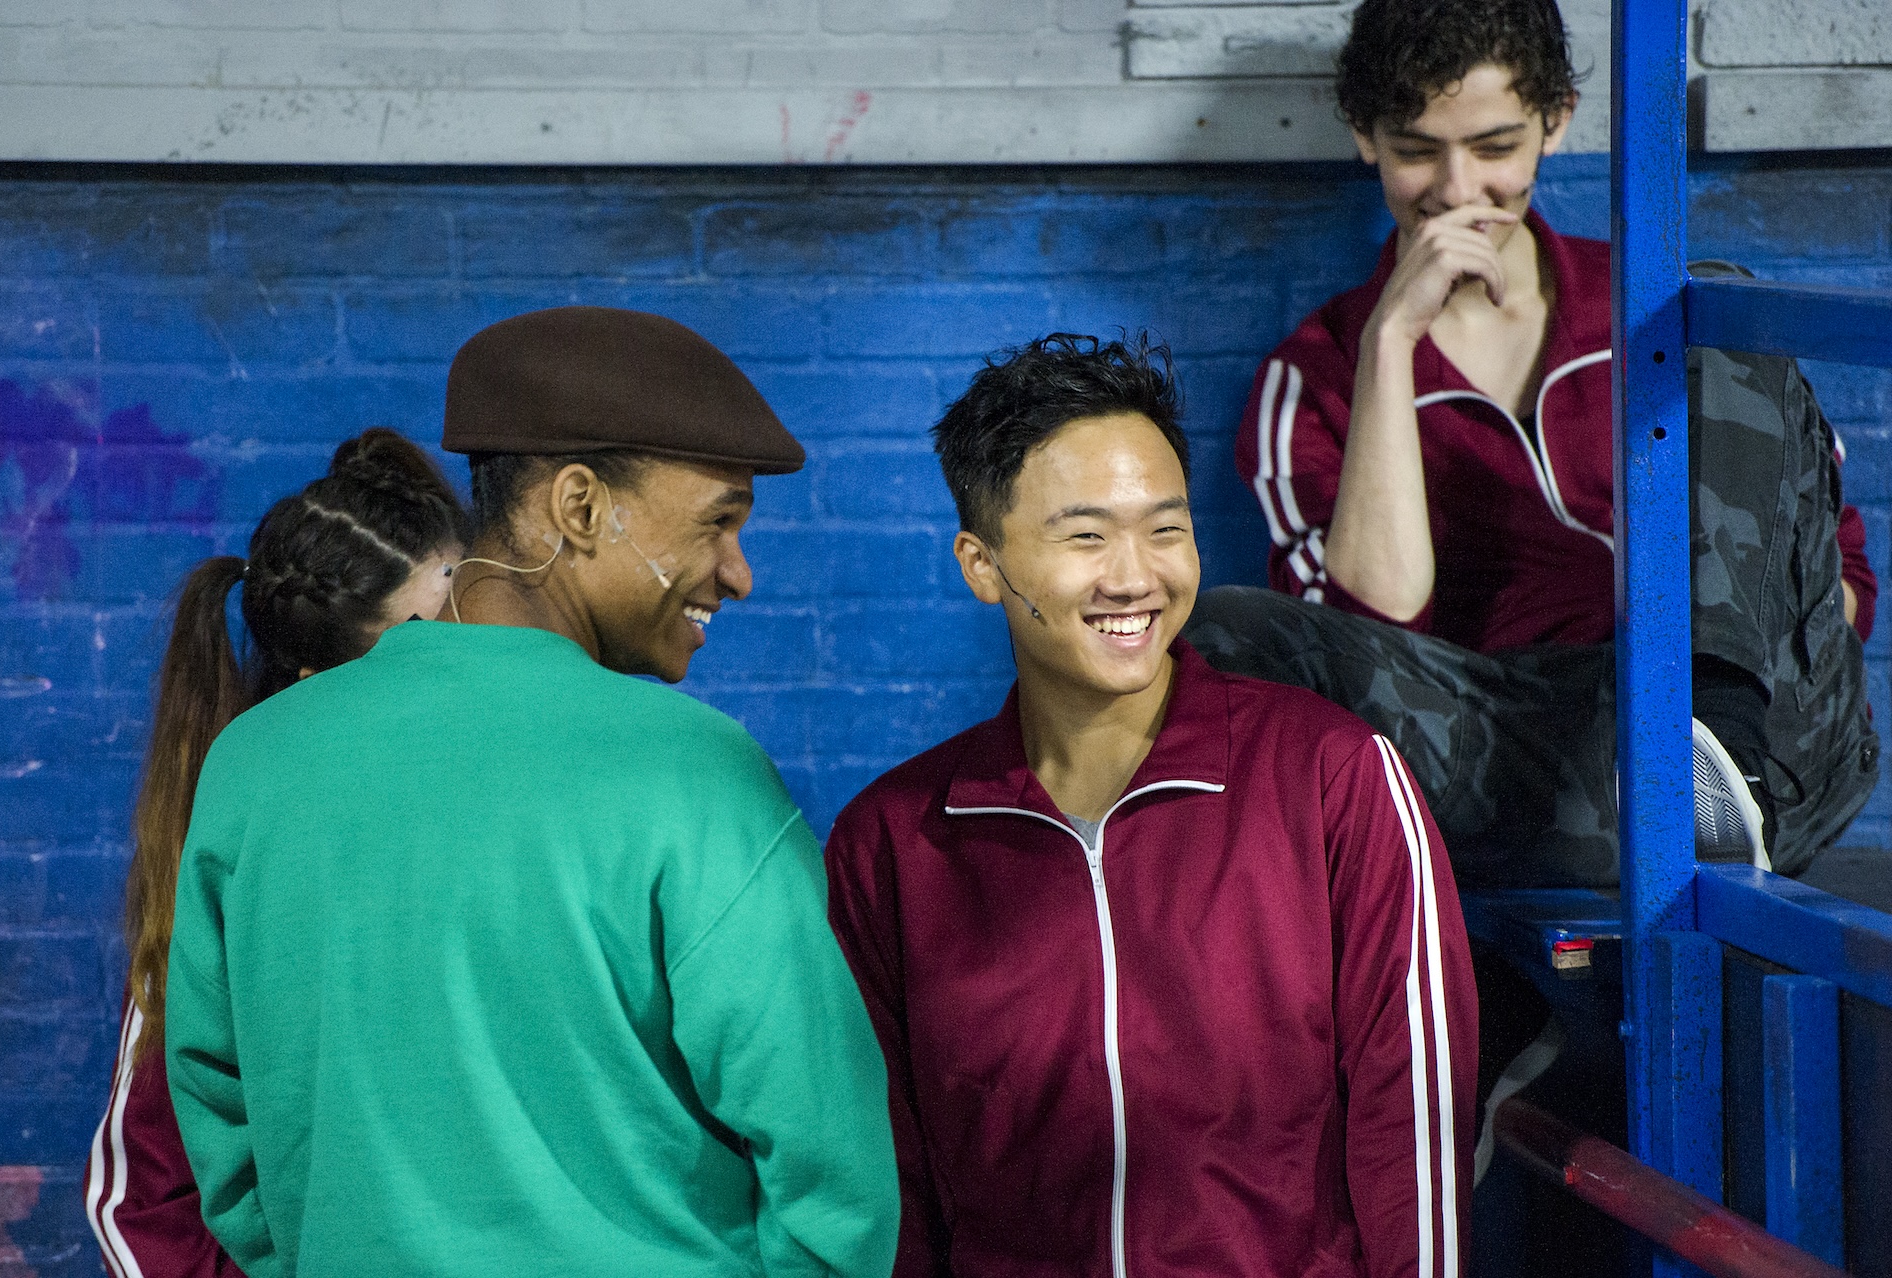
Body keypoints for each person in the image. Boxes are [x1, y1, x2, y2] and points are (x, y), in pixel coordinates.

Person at [164, 306, 899, 1278]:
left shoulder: (257, 764)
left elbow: (225, 1134)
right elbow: (833, 1185)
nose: (740, 573)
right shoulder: (703, 780)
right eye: (718, 521)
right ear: (581, 508)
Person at [826, 333, 1477, 1278]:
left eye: (1165, 529)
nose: (1135, 576)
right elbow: (891, 1180)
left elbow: (1412, 1129)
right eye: (1085, 535)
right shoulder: (893, 845)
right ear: (981, 563)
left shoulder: (1337, 780)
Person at [1187, 0, 1879, 888]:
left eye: (1494, 147)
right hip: (1533, 758)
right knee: (1216, 628)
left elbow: (1839, 591)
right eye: (1415, 149)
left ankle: (1708, 767)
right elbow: (1365, 643)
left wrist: (1701, 668)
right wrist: (1389, 346)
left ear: (1557, 120)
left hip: (1768, 739)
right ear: (1364, 137)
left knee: (1715, 302)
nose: (1458, 189)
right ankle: (1646, 802)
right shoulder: (1316, 373)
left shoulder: (1656, 313)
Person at [87, 428, 469, 1278]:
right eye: (426, 643)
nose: (472, 661)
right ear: (317, 687)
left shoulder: (527, 826)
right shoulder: (233, 858)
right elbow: (140, 1199)